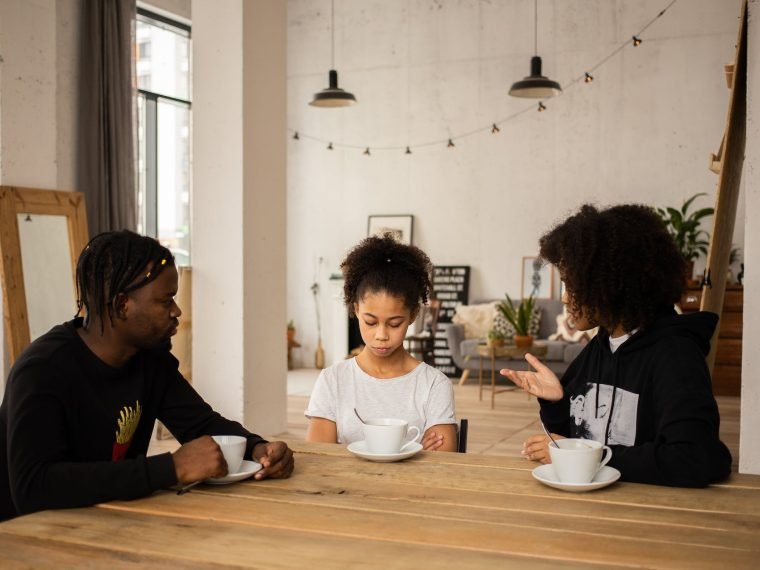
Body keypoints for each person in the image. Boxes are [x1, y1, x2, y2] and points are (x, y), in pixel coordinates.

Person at [0, 230, 294, 522]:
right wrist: (169, 469)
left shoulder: (150, 361)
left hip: (105, 521)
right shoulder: (43, 370)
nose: (177, 310)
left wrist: (258, 448)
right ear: (122, 305)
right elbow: (33, 488)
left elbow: (200, 423)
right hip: (25, 541)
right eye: (166, 301)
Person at [501, 204, 732, 487]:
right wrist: (556, 402)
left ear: (610, 285)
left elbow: (694, 458)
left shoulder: (675, 356)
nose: (564, 298)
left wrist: (592, 457)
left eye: (572, 285)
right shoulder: (600, 348)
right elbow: (571, 439)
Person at [305, 234, 457, 451]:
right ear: (356, 309)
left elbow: (442, 463)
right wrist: (414, 450)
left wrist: (349, 449)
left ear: (413, 314)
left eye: (394, 323)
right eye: (370, 322)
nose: (381, 335)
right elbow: (319, 458)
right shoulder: (333, 381)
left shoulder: (434, 384)